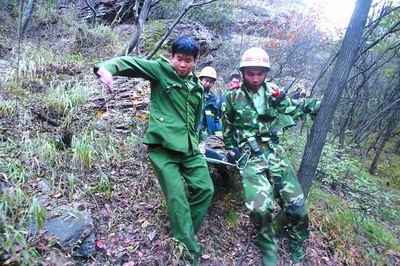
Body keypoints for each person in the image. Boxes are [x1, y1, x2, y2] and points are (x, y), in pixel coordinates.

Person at [94, 36, 214, 264]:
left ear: (194, 62)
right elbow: (131, 64)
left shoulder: (197, 86)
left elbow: (196, 118)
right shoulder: (160, 71)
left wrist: (197, 143)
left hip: (189, 148)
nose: (182, 65)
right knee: (177, 197)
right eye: (179, 59)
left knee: (206, 189)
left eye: (188, 60)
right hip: (163, 149)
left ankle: (183, 230)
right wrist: (107, 68)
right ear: (172, 57)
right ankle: (188, 249)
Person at [221, 47, 320, 265]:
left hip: (275, 153)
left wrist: (317, 105)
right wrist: (230, 148)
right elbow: (227, 127)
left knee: (296, 204)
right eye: (250, 73)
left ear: (266, 72)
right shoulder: (232, 97)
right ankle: (268, 247)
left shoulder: (274, 92)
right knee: (260, 207)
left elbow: (293, 107)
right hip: (250, 155)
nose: (255, 78)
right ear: (243, 72)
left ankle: (297, 243)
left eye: (260, 73)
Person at [198, 66, 222, 140]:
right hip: (194, 135)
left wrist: (218, 136)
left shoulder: (212, 98)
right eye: (206, 80)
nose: (208, 84)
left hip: (207, 137)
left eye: (210, 82)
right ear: (201, 79)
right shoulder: (194, 94)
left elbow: (216, 119)